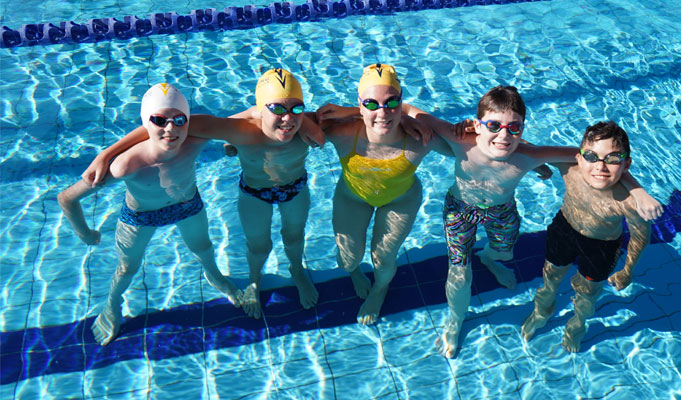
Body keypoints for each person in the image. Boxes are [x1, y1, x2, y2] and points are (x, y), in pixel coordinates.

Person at [401, 86, 662, 358]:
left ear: (522, 128)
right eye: (493, 125)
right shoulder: (459, 139)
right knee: (459, 273)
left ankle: (489, 260)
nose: (504, 135)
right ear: (477, 125)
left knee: (503, 252)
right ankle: (454, 322)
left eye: (514, 128)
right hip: (460, 211)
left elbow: (591, 157)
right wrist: (406, 116)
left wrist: (638, 191)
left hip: (501, 211)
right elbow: (410, 112)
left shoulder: (528, 156)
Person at [79, 69, 324, 317]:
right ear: (260, 110)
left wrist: (310, 122)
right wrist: (105, 154)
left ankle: (297, 270)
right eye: (278, 109)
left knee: (295, 236)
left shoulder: (304, 126)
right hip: (255, 193)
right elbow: (168, 121)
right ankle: (254, 282)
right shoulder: (240, 130)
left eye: (297, 108)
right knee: (259, 246)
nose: (288, 118)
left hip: (295, 188)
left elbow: (353, 115)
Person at [58, 83, 244, 345]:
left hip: (186, 205)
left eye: (179, 120)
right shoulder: (125, 165)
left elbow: (247, 117)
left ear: (188, 121)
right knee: (126, 268)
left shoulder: (195, 140)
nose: (170, 128)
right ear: (147, 122)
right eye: (160, 120)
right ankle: (112, 304)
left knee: (204, 248)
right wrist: (84, 232)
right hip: (141, 216)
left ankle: (215, 276)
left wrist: (229, 139)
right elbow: (66, 198)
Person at [314, 63, 454, 326]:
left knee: (383, 257)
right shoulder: (341, 132)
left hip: (400, 201)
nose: (382, 113)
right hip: (352, 197)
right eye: (371, 104)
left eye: (391, 103)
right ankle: (355, 272)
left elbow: (469, 147)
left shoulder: (420, 138)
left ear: (402, 101)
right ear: (359, 104)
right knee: (347, 259)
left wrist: (528, 154)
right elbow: (289, 122)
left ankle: (379, 291)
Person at [520, 121, 654, 352]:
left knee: (588, 295)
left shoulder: (629, 201)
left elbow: (641, 236)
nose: (600, 166)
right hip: (564, 229)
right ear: (580, 158)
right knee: (551, 275)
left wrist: (627, 270)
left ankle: (576, 324)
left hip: (601, 246)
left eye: (612, 158)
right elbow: (522, 147)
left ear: (626, 164)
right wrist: (536, 165)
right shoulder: (569, 169)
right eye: (592, 156)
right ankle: (543, 310)